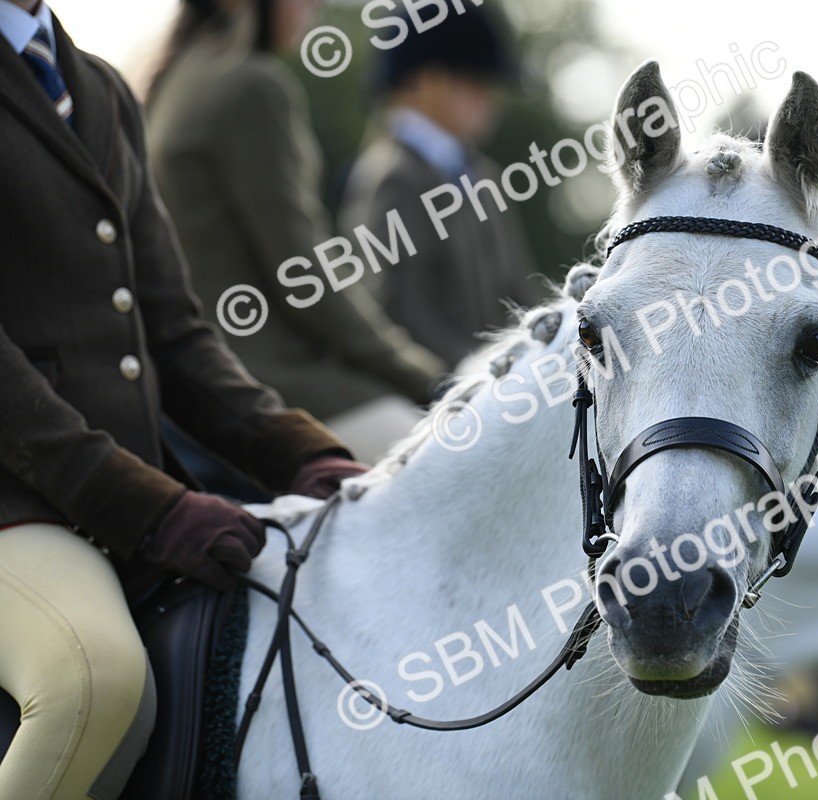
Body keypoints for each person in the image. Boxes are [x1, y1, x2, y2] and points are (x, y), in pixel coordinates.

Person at [0, 1, 369, 796]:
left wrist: (302, 451)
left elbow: (172, 329)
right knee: (93, 683)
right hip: (16, 506)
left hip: (117, 497)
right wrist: (149, 509)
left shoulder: (97, 86)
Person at [146, 0, 446, 464]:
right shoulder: (251, 85)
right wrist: (425, 376)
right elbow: (306, 275)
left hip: (197, 376)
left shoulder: (175, 78)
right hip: (270, 378)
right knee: (458, 461)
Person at [339, 3, 540, 368]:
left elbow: (516, 295)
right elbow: (396, 308)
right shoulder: (392, 176)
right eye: (476, 82)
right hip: (432, 394)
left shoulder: (483, 175)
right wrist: (480, 375)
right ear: (427, 81)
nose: (491, 99)